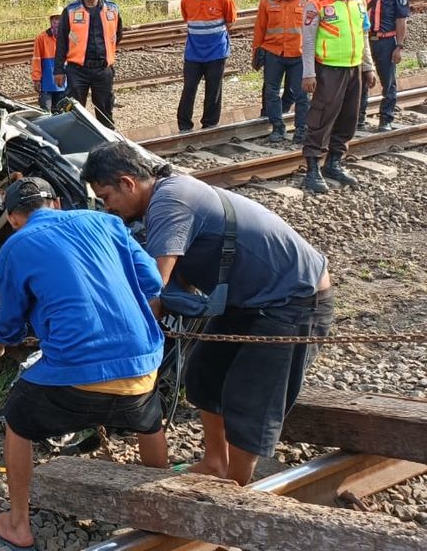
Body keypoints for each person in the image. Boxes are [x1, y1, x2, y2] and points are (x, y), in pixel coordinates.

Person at [81, 142, 333, 487]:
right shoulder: (165, 197)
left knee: (249, 395)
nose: (108, 207)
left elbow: (154, 288)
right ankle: (216, 463)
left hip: (295, 298)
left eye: (107, 196)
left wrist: (116, 343)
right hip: (249, 299)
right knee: (204, 374)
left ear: (128, 182)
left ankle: (238, 490)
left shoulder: (169, 202)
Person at [0, 176, 168, 550]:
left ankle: (18, 524)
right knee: (150, 421)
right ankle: (160, 512)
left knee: (17, 420)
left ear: (14, 218)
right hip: (144, 367)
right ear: (57, 204)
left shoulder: (16, 246)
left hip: (78, 377)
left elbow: (10, 326)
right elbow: (152, 284)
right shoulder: (108, 222)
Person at [301, 0, 377, 193]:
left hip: (353, 67)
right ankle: (313, 167)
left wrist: (368, 66)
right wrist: (308, 73)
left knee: (348, 117)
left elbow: (363, 35)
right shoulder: (318, 4)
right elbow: (309, 40)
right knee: (322, 117)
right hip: (329, 69)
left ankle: (334, 162)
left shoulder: (359, 1)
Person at [53, 0, 122, 127]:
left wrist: (106, 52)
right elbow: (62, 42)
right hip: (77, 70)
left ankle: (108, 144)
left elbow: (118, 35)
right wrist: (58, 70)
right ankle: (73, 142)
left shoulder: (112, 10)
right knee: (74, 113)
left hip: (103, 69)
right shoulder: (71, 11)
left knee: (105, 111)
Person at [252, 0, 311, 143]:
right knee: (271, 92)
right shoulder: (267, 2)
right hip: (273, 53)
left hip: (298, 54)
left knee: (302, 94)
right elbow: (259, 29)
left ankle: (301, 129)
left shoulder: (308, 0)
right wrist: (256, 53)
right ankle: (277, 127)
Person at [177, 0, 237, 133]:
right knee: (189, 88)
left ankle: (210, 124)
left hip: (216, 53)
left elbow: (230, 21)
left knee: (214, 89)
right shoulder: (186, 0)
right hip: (193, 53)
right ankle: (184, 124)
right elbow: (187, 19)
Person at [356, 0, 410, 132]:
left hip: (386, 43)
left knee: (388, 82)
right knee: (361, 80)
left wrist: (399, 46)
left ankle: (386, 118)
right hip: (364, 42)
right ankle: (359, 118)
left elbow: (401, 21)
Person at [31, 13, 66, 113]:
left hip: (63, 85)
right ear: (51, 21)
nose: (57, 22)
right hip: (46, 84)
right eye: (55, 19)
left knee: (62, 115)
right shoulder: (41, 38)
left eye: (59, 19)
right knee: (46, 113)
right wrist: (36, 79)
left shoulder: (68, 37)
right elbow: (36, 59)